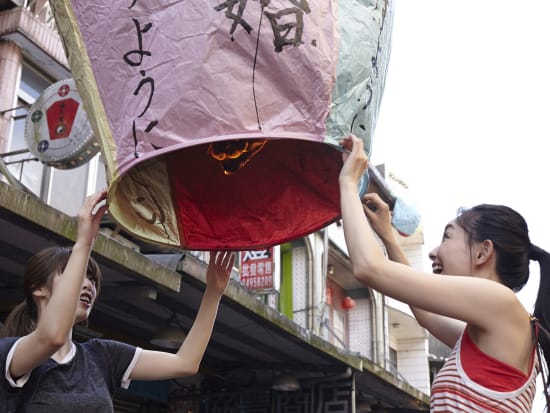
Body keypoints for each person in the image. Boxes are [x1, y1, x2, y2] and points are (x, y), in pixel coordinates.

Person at [338, 135, 550, 412]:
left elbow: (369, 267)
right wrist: (389, 238)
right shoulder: (501, 325)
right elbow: (426, 315)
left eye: (447, 237)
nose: (434, 252)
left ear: (482, 252)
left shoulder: (498, 301)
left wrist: (348, 182)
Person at [0, 190, 235, 412]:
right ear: (38, 289)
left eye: (92, 279)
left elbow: (185, 363)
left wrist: (213, 292)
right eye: (75, 273)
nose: (88, 285)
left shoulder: (102, 356)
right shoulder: (11, 354)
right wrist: (83, 244)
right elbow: (51, 337)